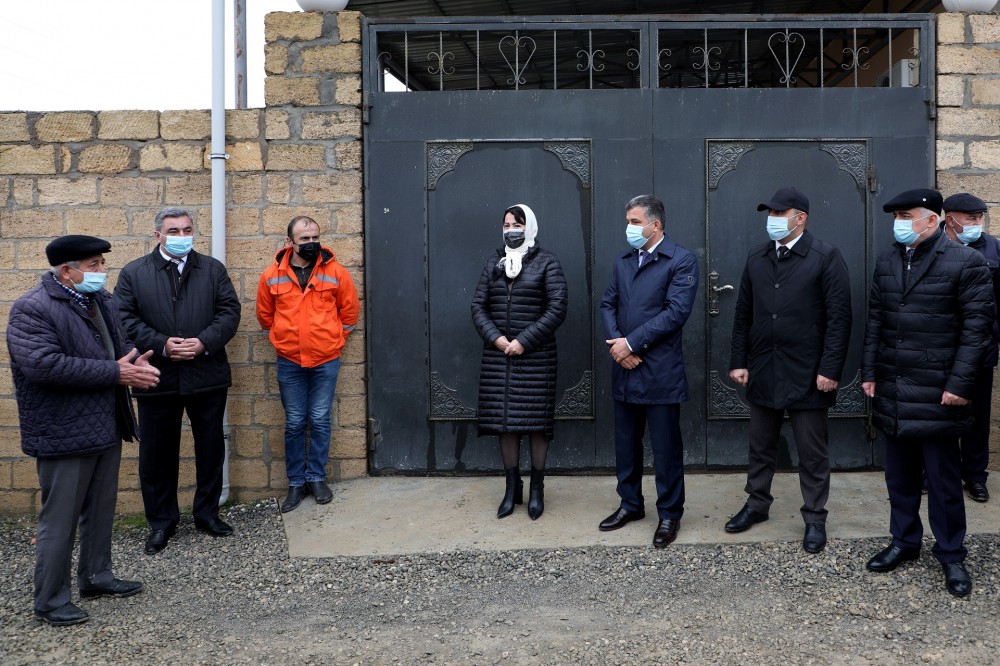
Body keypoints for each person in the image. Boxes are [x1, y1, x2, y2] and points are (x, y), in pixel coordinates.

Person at [7, 235, 160, 626]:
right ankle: (51, 600)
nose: (102, 272)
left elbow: (119, 346)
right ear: (66, 271)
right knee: (60, 519)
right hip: (64, 430)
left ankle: (97, 576)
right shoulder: (32, 308)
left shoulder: (100, 300)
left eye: (101, 264)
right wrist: (116, 371)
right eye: (93, 265)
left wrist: (132, 362)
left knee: (101, 508)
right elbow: (43, 365)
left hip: (106, 423)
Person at [862, 188, 993, 597]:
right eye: (896, 216)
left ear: (932, 220)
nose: (899, 223)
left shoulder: (965, 262)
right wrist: (869, 372)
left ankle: (952, 554)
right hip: (894, 389)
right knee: (899, 477)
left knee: (942, 480)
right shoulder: (888, 260)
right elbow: (876, 322)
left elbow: (977, 333)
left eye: (906, 215)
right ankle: (904, 541)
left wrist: (959, 385)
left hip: (938, 392)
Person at [725, 186, 852, 554]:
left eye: (780, 214)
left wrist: (829, 369)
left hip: (809, 371)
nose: (773, 220)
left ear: (801, 218)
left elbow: (839, 319)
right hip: (764, 366)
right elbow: (743, 315)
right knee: (760, 444)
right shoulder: (757, 257)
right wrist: (739, 360)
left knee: (811, 451)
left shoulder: (825, 256)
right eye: (770, 214)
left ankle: (814, 518)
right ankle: (756, 505)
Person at [115, 207, 241, 555]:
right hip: (156, 376)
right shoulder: (134, 273)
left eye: (187, 230)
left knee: (211, 448)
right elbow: (123, 318)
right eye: (174, 231)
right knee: (156, 454)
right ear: (157, 235)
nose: (182, 236)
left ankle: (207, 514)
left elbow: (229, 312)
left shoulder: (212, 269)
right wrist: (163, 345)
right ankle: (161, 522)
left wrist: (204, 342)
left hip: (207, 375)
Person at [598, 194, 699, 548]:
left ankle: (670, 513)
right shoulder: (623, 261)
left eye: (635, 222)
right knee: (626, 444)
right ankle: (630, 504)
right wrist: (618, 345)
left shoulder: (681, 260)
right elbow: (608, 303)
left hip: (660, 370)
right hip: (625, 368)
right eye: (627, 221)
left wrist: (632, 343)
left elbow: (675, 313)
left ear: (655, 225)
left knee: (666, 447)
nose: (629, 228)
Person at [256, 216, 360, 513]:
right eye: (305, 239)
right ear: (290, 242)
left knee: (319, 419)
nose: (312, 243)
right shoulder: (271, 275)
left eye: (315, 237)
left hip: (326, 360)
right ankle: (295, 482)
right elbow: (265, 315)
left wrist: (335, 340)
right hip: (289, 362)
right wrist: (280, 340)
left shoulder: (336, 272)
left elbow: (350, 311)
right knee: (294, 422)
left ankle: (316, 477)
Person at [471, 204, 568, 520]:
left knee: (537, 424)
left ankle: (537, 488)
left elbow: (556, 308)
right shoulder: (493, 262)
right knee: (506, 423)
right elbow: (478, 306)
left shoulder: (547, 262)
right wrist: (497, 339)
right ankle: (512, 488)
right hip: (499, 357)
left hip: (536, 357)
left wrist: (524, 341)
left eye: (517, 224)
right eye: (506, 224)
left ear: (530, 227)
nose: (511, 229)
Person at [942, 192, 999, 504]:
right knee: (938, 417)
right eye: (971, 219)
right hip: (938, 351)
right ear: (951, 220)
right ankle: (935, 474)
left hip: (979, 350)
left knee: (976, 418)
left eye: (980, 218)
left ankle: (975, 477)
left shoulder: (993, 248)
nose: (978, 224)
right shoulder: (931, 245)